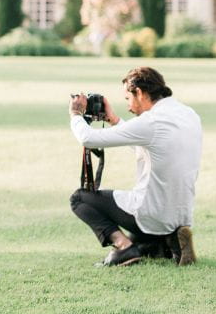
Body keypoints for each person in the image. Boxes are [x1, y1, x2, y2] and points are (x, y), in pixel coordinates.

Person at [68, 67, 201, 267]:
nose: (129, 107)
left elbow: (89, 139)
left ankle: (124, 247)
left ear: (139, 92)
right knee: (142, 241)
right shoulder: (188, 114)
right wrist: (113, 120)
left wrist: (76, 114)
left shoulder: (151, 121)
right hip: (180, 214)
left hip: (152, 213)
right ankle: (168, 241)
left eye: (127, 99)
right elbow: (150, 144)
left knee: (79, 198)